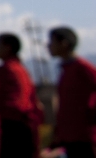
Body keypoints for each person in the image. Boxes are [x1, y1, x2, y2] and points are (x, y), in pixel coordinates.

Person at [41, 27, 96, 158]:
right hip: (69, 136)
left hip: (84, 136)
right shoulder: (66, 69)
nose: (48, 46)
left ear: (64, 44)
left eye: (52, 41)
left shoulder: (83, 68)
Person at [0, 33, 42, 158]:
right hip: (25, 127)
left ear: (8, 47)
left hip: (11, 129)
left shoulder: (5, 71)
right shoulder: (22, 70)